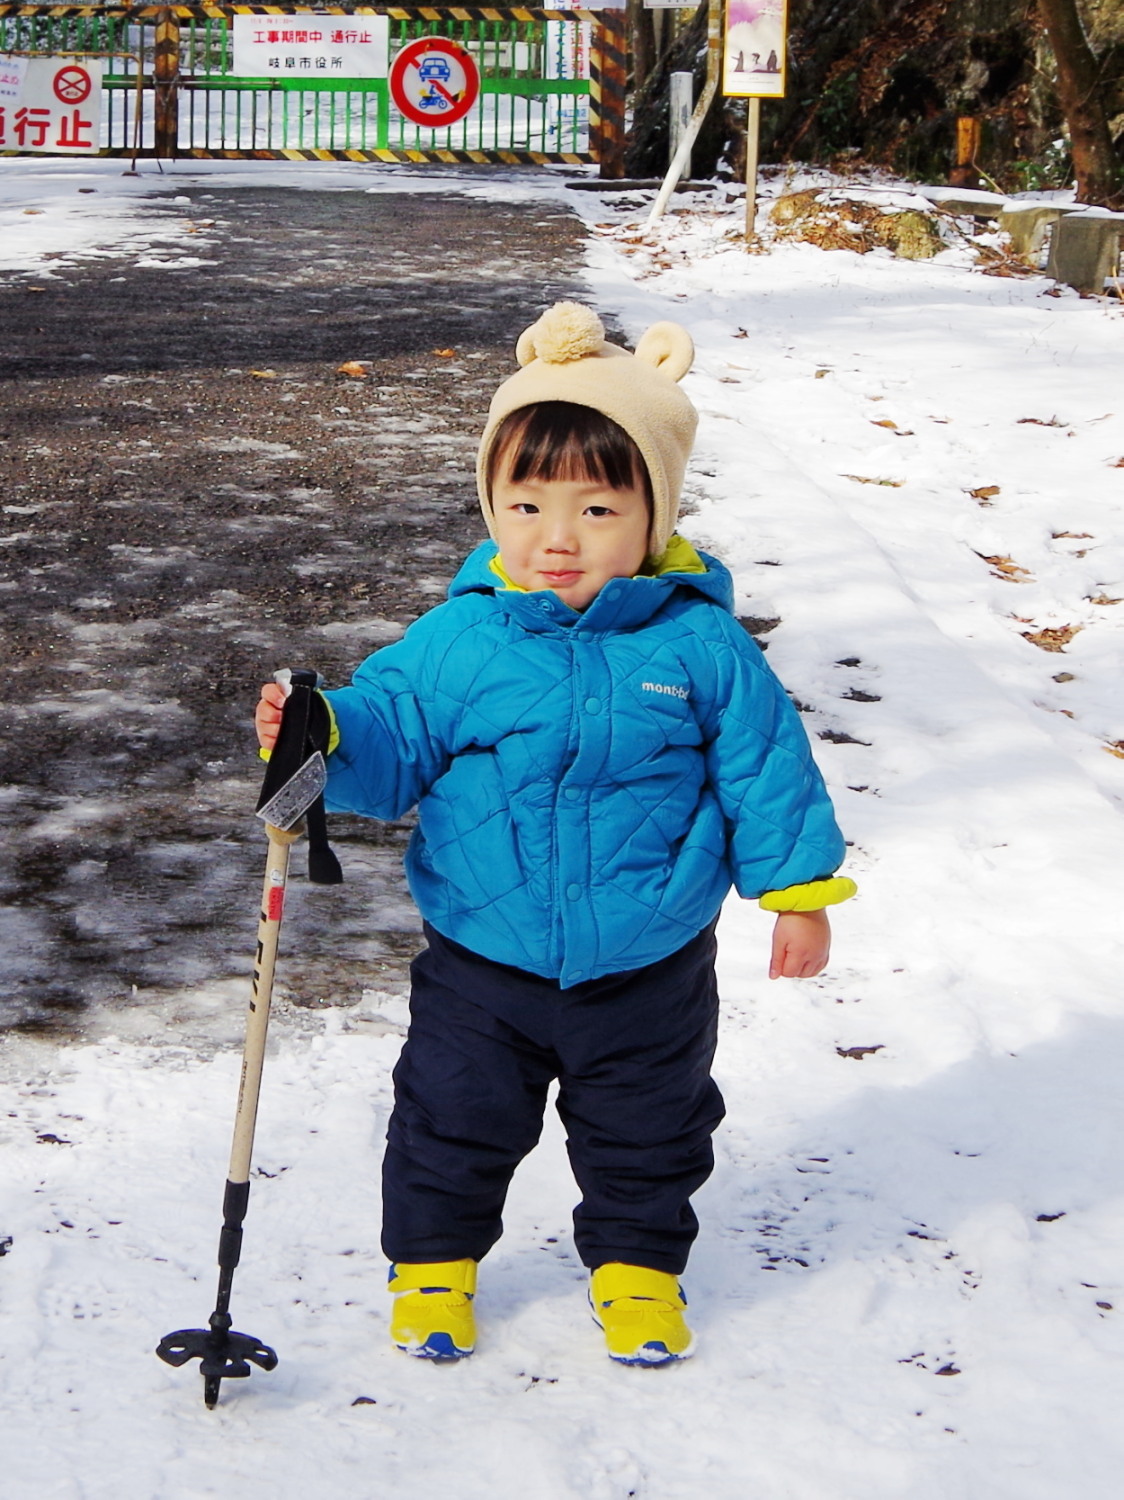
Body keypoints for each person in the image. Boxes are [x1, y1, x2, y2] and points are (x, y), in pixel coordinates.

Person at [255, 302, 855, 1366]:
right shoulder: (462, 639)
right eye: (524, 504)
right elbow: (395, 735)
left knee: (650, 1132)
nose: (555, 537)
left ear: (652, 516)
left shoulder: (700, 645)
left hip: (648, 965)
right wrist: (328, 726)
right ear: (492, 508)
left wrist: (795, 894)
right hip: (483, 962)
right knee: (449, 1120)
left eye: (594, 508)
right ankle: (433, 1266)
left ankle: (635, 1269)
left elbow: (765, 769)